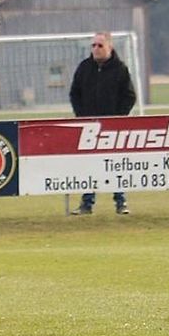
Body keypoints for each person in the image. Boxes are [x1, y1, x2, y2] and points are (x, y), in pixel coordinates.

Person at [69, 32, 136, 215]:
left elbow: (129, 96)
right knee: (89, 165)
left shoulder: (120, 69)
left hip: (112, 127)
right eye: (93, 45)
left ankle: (120, 201)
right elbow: (75, 93)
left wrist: (118, 118)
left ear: (109, 47)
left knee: (115, 164)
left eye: (100, 45)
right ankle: (87, 203)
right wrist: (82, 115)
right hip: (88, 126)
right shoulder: (84, 68)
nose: (95, 49)